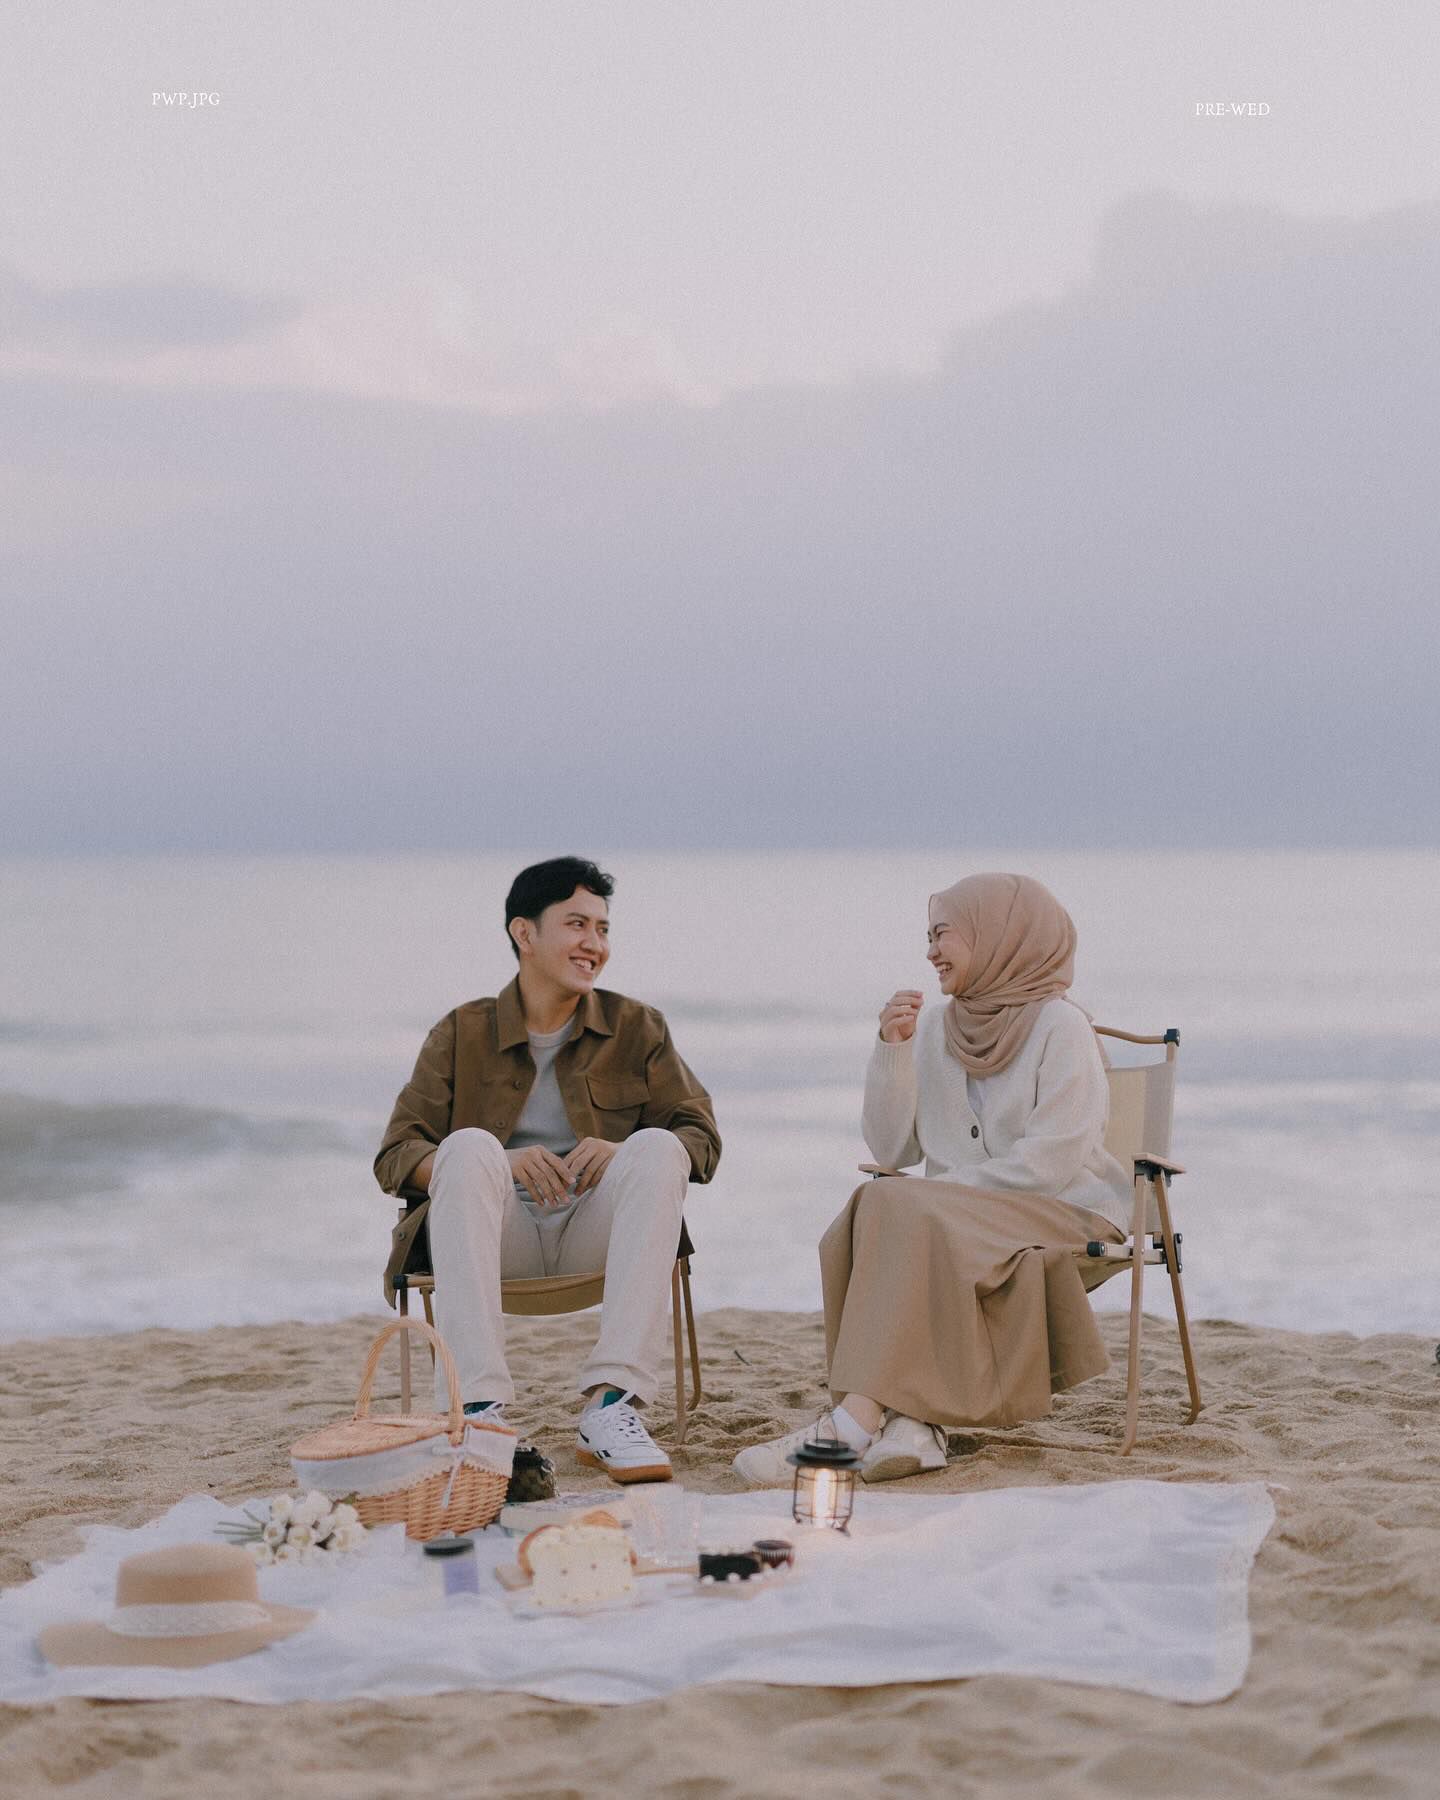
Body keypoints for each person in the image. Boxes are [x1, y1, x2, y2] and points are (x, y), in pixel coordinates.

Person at [734, 871, 1131, 1486]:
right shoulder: (939, 1029)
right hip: (955, 1220)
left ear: (999, 935)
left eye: (943, 934)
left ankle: (848, 1425)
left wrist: (942, 1196)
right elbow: (893, 1145)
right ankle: (912, 1429)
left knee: (902, 1206)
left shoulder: (1061, 1027)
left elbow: (1052, 1160)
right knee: (878, 1199)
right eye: (928, 936)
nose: (929, 951)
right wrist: (892, 1049)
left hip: (1065, 1210)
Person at [376, 856, 720, 1485]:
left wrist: (624, 1151)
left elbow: (700, 1139)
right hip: (494, 1237)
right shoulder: (460, 1032)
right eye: (577, 924)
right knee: (470, 1144)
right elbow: (396, 1153)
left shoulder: (637, 1028)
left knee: (657, 1145)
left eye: (604, 929)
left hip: (595, 1230)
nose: (595, 944)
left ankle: (612, 1406)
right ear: (524, 933)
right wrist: (495, 1163)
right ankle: (478, 1411)